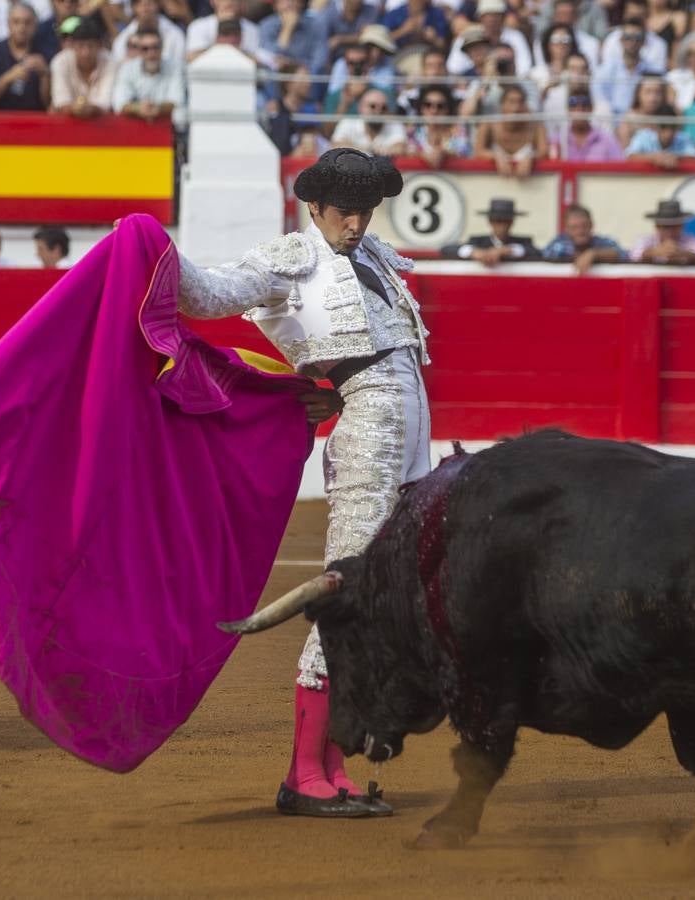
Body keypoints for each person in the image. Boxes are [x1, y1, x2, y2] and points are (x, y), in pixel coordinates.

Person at [173, 148, 431, 819]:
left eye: (368, 209)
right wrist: (153, 247)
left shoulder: (374, 257)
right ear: (315, 206)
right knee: (348, 590)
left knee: (382, 601)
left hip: (406, 434)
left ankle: (334, 766)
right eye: (346, 209)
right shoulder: (291, 258)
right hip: (370, 436)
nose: (357, 221)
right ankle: (302, 774)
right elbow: (205, 296)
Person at [0, 3, 51, 111]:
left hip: (35, 121)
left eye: (27, 22)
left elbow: (48, 103)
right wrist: (8, 78)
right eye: (16, 22)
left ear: (35, 25)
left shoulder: (45, 53)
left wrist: (45, 74)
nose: (22, 27)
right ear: (8, 24)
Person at [473, 82, 548, 177]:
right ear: (502, 105)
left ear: (525, 106)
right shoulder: (488, 124)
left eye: (520, 102)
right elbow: (478, 151)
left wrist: (531, 157)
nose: (516, 108)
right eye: (511, 102)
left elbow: (544, 151)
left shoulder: (535, 126)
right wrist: (495, 156)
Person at [113, 25, 185, 123]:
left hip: (169, 128)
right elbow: (119, 104)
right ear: (139, 50)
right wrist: (138, 108)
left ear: (162, 48)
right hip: (135, 128)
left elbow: (178, 101)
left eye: (155, 47)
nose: (151, 53)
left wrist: (158, 108)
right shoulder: (127, 69)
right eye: (145, 49)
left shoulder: (175, 67)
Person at [442, 197, 542, 265]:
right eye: (498, 221)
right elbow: (446, 249)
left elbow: (537, 253)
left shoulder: (524, 242)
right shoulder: (477, 242)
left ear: (511, 223)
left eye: (505, 221)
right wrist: (473, 252)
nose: (501, 226)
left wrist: (507, 250)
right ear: (490, 222)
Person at [50, 17, 116, 116]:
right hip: (68, 123)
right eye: (81, 46)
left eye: (90, 46)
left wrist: (87, 109)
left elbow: (106, 103)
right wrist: (74, 108)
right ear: (72, 46)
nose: (86, 53)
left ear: (99, 46)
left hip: (100, 125)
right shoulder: (60, 61)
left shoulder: (110, 62)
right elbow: (60, 101)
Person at [542, 204, 623, 274]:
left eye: (584, 226)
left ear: (591, 225)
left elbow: (619, 253)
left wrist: (593, 254)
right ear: (566, 229)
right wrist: (579, 255)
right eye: (574, 227)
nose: (580, 231)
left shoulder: (601, 242)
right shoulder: (560, 243)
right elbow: (546, 254)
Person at [407, 83, 471, 168]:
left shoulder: (458, 131)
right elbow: (407, 152)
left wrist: (444, 153)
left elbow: (465, 154)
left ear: (448, 109)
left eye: (440, 106)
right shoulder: (413, 131)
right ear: (421, 108)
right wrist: (422, 155)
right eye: (428, 105)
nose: (434, 110)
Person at [331, 86, 407, 154]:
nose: (378, 111)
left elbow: (401, 148)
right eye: (372, 106)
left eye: (384, 108)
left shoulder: (394, 125)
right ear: (360, 107)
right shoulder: (347, 123)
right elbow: (336, 145)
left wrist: (357, 150)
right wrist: (370, 151)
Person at [555, 89, 623, 160]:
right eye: (573, 103)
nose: (579, 109)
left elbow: (621, 167)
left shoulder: (607, 141)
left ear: (591, 108)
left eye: (585, 103)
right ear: (568, 109)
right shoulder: (558, 140)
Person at [625, 101, 695, 166]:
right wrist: (653, 158)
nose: (668, 132)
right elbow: (630, 156)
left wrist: (676, 157)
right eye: (663, 127)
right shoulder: (643, 136)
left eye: (672, 127)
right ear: (655, 127)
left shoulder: (683, 138)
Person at [111, 0, 186, 64]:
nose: (145, 8)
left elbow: (179, 63)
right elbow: (119, 63)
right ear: (134, 8)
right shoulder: (122, 39)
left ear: (157, 5)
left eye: (149, 3)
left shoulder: (175, 33)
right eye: (140, 4)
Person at [187, 0, 261, 64]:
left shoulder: (253, 29)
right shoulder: (198, 26)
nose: (230, 2)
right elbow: (192, 58)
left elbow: (257, 61)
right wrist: (224, 49)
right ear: (213, 1)